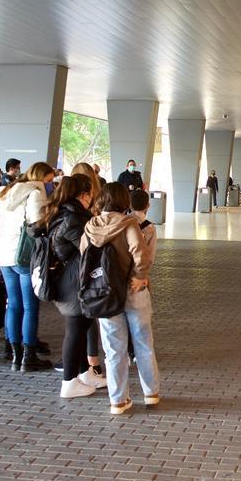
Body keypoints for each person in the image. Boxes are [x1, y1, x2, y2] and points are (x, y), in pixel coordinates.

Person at [79, 184, 157, 415]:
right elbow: (141, 254)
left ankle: (118, 401)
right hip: (133, 292)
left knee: (114, 349)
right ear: (125, 200)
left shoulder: (90, 226)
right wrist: (139, 277)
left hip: (104, 294)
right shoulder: (128, 223)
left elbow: (84, 257)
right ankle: (151, 393)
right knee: (143, 343)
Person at [0, 161, 54, 371]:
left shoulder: (5, 191)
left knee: (12, 304)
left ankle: (13, 353)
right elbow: (37, 224)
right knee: (30, 306)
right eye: (49, 180)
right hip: (24, 257)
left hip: (4, 256)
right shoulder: (35, 192)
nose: (50, 184)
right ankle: (28, 357)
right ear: (41, 178)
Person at [39, 175, 106, 398]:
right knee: (75, 331)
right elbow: (88, 247)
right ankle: (68, 382)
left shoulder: (64, 212)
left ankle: (84, 373)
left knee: (83, 325)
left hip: (69, 279)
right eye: (90, 195)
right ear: (83, 195)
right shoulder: (72, 217)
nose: (91, 199)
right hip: (72, 281)